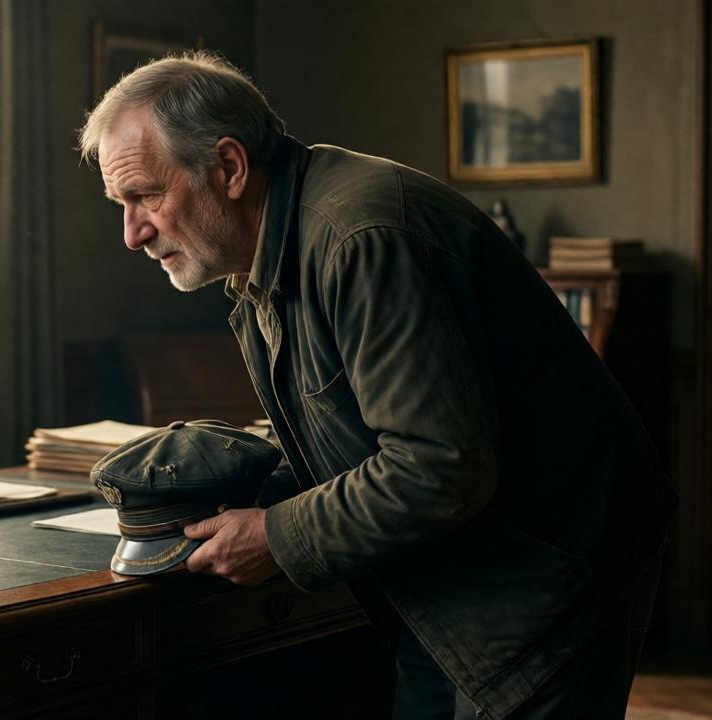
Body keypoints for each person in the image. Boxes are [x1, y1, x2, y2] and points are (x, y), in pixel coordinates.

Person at [77, 51, 677, 720]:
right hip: (435, 576)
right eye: (120, 204)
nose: (132, 234)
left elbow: (438, 467)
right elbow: (336, 424)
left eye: (145, 196)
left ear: (230, 168)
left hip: (542, 576)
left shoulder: (361, 237)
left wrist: (275, 536)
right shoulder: (261, 257)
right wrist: (209, 499)